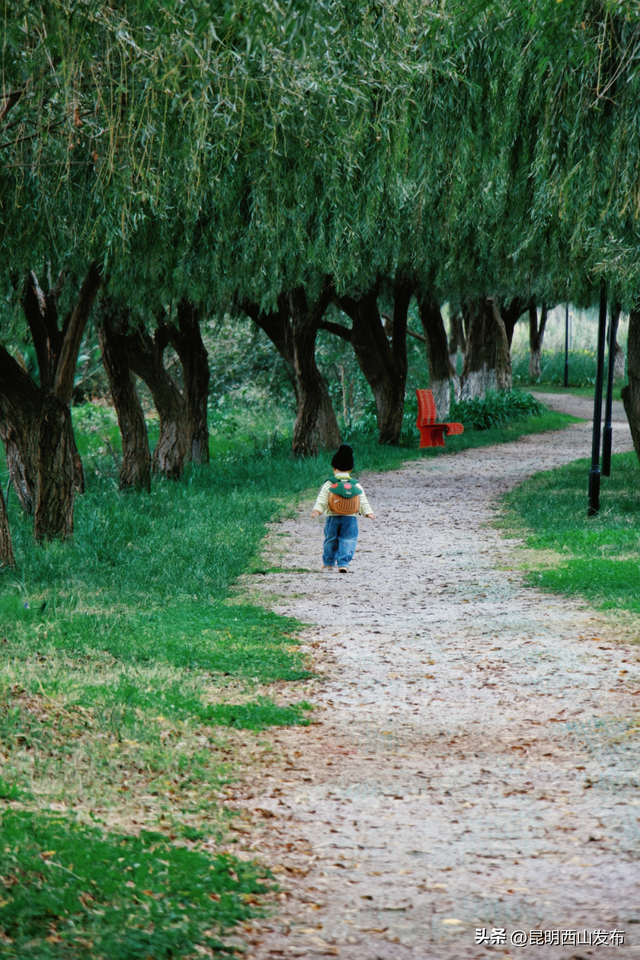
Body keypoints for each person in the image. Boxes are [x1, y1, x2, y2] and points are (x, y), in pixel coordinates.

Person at [311, 443, 376, 572]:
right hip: (350, 519)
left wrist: (318, 509)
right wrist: (368, 512)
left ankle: (329, 563)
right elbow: (362, 499)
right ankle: (343, 563)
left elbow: (323, 498)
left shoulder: (330, 483)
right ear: (350, 469)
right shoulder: (355, 485)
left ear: (334, 468)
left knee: (330, 540)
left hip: (332, 518)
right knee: (348, 540)